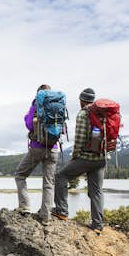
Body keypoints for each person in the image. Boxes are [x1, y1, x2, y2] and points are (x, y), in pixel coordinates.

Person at [52, 88, 106, 233]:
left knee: (60, 176)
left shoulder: (83, 114)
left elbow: (80, 139)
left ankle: (61, 211)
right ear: (93, 100)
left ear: (82, 100)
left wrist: (75, 156)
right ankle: (98, 225)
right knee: (96, 192)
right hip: (101, 159)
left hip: (86, 158)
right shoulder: (103, 114)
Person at [14, 84, 60, 223]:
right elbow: (61, 130)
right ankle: (46, 217)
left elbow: (29, 124)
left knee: (20, 175)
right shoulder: (57, 106)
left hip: (37, 147)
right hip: (53, 148)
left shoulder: (36, 105)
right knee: (49, 183)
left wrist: (27, 116)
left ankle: (25, 207)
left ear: (38, 94)